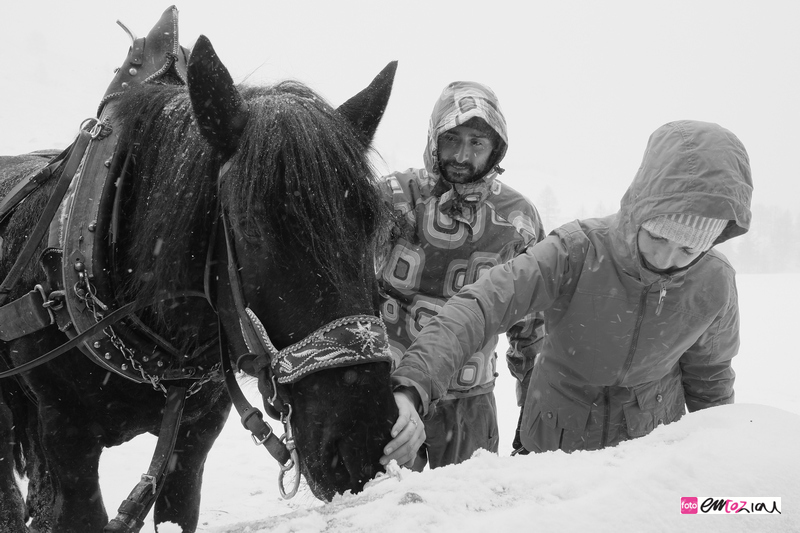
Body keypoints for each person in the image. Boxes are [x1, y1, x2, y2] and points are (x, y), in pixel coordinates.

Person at [382, 119, 751, 459]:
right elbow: (480, 307)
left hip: (645, 457)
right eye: (656, 236)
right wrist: (413, 385)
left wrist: (717, 461)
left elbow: (710, 379)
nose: (668, 258)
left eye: (689, 248)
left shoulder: (714, 281)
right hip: (554, 451)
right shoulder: (577, 250)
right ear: (640, 210)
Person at [377, 81, 545, 470]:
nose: (462, 155)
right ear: (434, 139)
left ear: (496, 149)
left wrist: (532, 400)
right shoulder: (395, 198)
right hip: (391, 396)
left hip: (470, 402)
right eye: (451, 139)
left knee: (468, 511)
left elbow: (532, 321)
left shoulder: (516, 219)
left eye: (477, 143)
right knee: (378, 512)